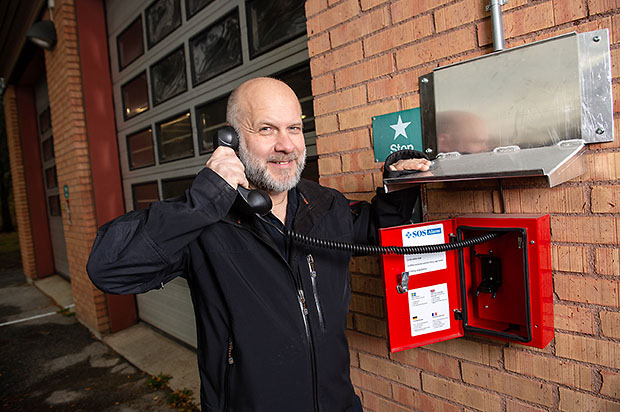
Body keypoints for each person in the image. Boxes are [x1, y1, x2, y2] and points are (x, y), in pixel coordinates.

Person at [87, 77, 430, 412]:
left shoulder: (326, 205)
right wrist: (203, 201)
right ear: (232, 141)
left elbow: (378, 234)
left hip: (337, 402)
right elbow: (109, 268)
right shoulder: (204, 220)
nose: (286, 145)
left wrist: (397, 185)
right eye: (266, 129)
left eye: (294, 128)